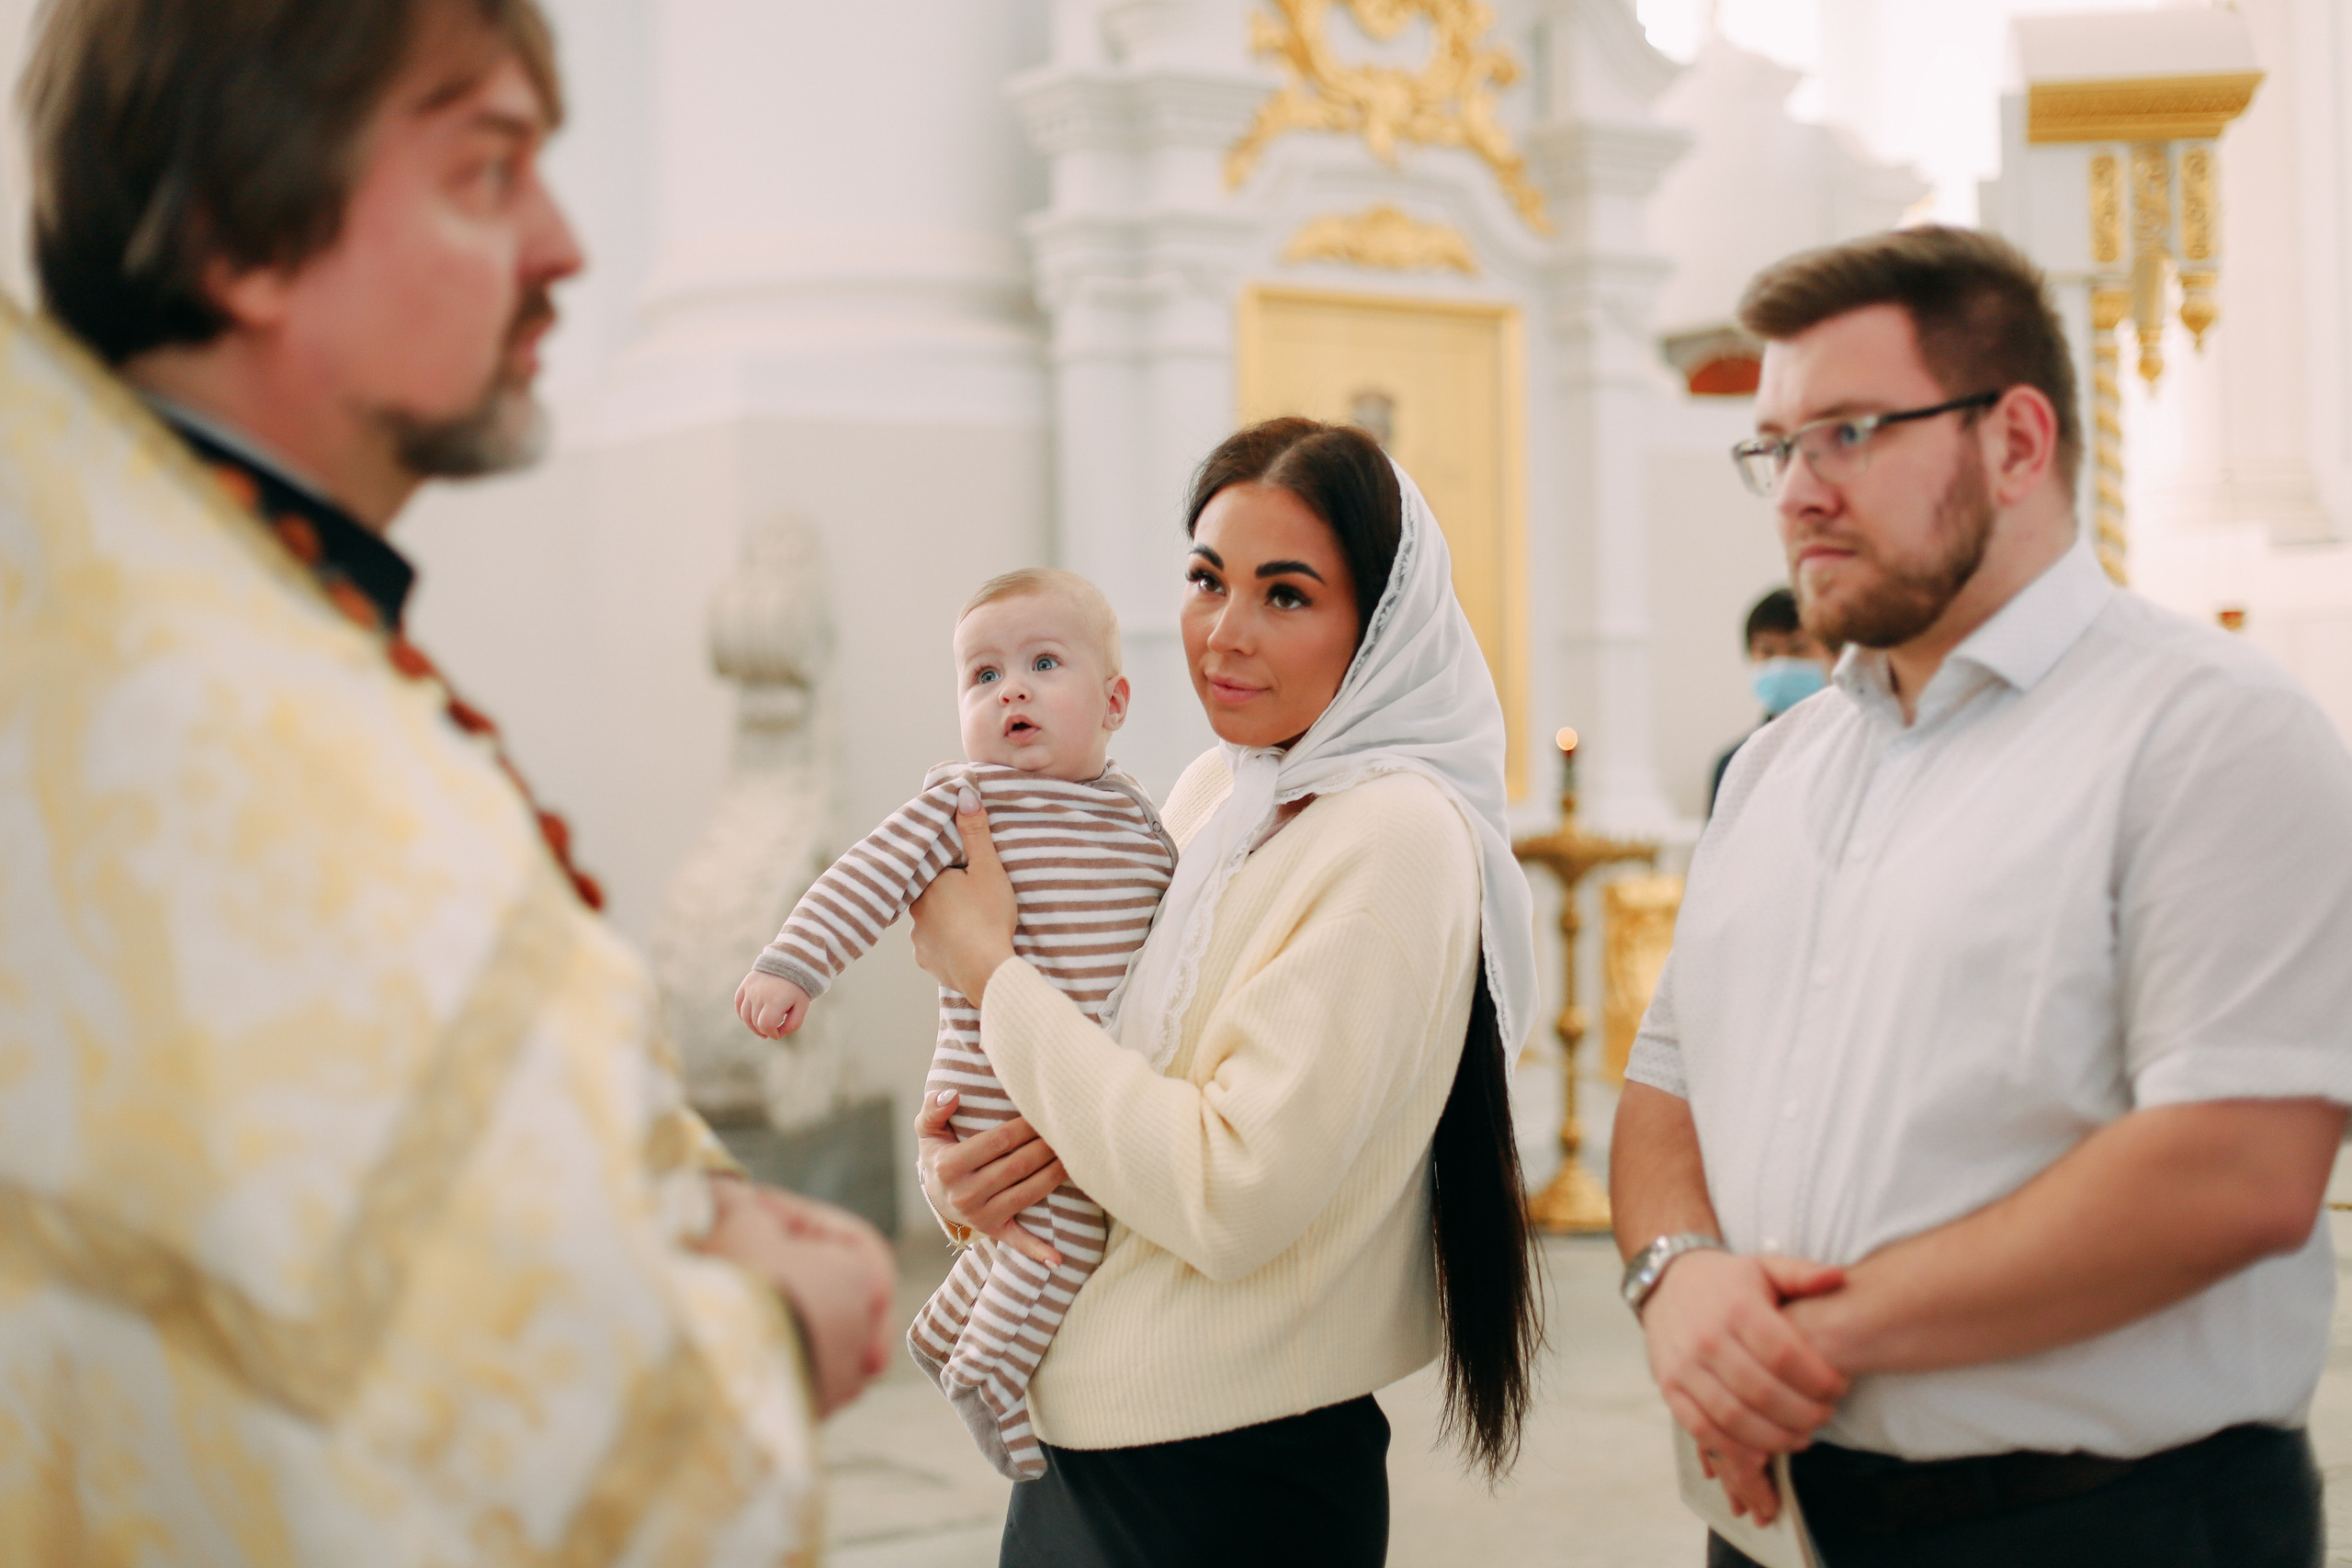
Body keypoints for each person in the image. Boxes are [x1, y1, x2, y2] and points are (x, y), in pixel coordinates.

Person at [0, 1, 894, 1559]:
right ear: (241, 240)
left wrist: (681, 1205)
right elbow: (426, 1435)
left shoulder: (161, 600)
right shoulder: (218, 737)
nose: (561, 249)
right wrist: (764, 1331)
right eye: (488, 175)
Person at [1611, 225, 2352, 1568]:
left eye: (1846, 433)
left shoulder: (2211, 730)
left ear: (2016, 441)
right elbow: (1667, 1088)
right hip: (1783, 1520)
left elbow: (2238, 1170)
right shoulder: (1774, 769)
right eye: (1776, 447)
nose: (1796, 492)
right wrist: (1677, 1275)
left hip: (2106, 1519)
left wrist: (1808, 1337)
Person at [906, 417, 1544, 1566]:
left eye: (1286, 595)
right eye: (1207, 581)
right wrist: (968, 1175)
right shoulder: (1218, 789)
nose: (1224, 634)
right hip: (1088, 1441)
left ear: (1380, 624)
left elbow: (1231, 1189)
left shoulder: (1394, 836)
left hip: (1227, 1470)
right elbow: (1099, 1060)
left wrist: (990, 977)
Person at [736, 567, 1177, 1481]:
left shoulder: (1141, 823)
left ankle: (943, 1330)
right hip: (993, 1081)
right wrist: (794, 964)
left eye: (1042, 663)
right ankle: (988, 1370)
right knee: (1066, 1238)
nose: (1008, 689)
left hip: (1076, 1081)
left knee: (1035, 1224)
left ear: (1114, 701)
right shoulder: (965, 802)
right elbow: (863, 880)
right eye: (981, 676)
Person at [1706, 587, 1836, 814]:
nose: (1781, 663)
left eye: (1798, 649)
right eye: (1766, 651)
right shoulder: (1734, 763)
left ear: (1834, 656)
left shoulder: (1858, 746)